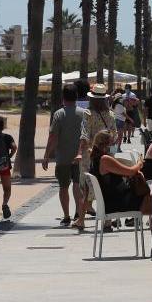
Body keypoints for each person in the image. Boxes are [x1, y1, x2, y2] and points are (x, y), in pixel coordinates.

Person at [89, 130, 152, 258]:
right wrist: (139, 163)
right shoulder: (105, 159)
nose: (115, 145)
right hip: (119, 202)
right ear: (105, 144)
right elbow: (130, 171)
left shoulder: (97, 158)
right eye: (113, 143)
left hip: (119, 198)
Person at [44, 86, 86, 228]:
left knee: (63, 187)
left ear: (63, 97)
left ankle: (66, 216)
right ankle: (79, 215)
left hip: (63, 157)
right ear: (76, 97)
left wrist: (46, 155)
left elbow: (53, 136)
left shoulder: (58, 114)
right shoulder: (83, 113)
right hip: (80, 157)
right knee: (77, 185)